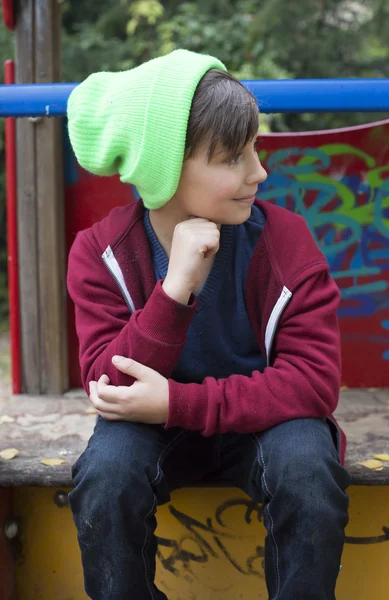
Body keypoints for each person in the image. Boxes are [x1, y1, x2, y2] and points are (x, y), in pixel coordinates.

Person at [66, 49, 350, 600]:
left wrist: (177, 403)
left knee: (307, 470)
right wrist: (175, 288)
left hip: (265, 421)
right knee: (105, 475)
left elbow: (314, 383)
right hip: (153, 427)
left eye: (255, 149)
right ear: (164, 169)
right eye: (231, 159)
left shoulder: (285, 240)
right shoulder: (100, 252)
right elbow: (110, 386)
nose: (258, 172)